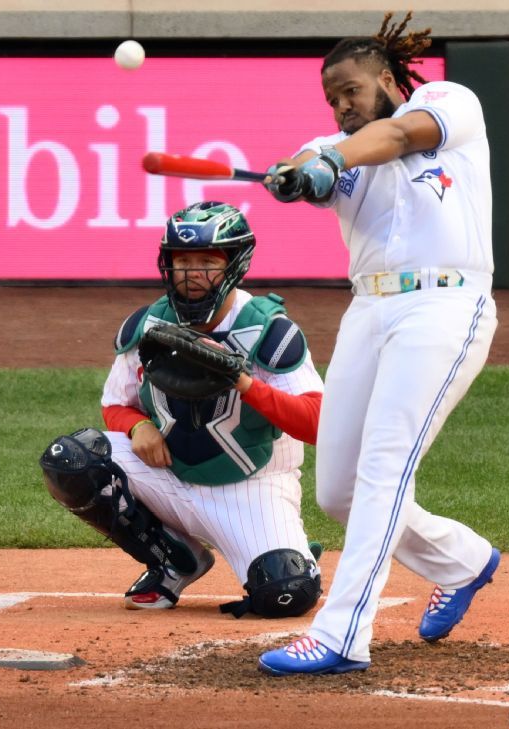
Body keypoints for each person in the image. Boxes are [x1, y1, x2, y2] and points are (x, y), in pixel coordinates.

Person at [256, 12, 502, 675]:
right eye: (333, 99)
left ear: (387, 79)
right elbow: (314, 163)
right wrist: (295, 172)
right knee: (338, 490)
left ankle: (341, 633)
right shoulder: (335, 147)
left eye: (352, 91)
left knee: (385, 466)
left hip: (446, 305)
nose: (342, 107)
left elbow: (394, 136)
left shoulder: (449, 104)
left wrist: (329, 158)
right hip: (369, 311)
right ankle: (464, 560)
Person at [39, 201, 327, 619]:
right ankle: (174, 560)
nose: (192, 274)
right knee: (72, 459)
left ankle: (291, 550)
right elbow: (115, 403)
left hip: (250, 488)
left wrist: (242, 382)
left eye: (207, 262)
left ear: (233, 264)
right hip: (169, 475)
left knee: (286, 592)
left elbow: (317, 423)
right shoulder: (147, 326)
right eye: (182, 262)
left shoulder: (269, 332)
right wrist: (138, 427)